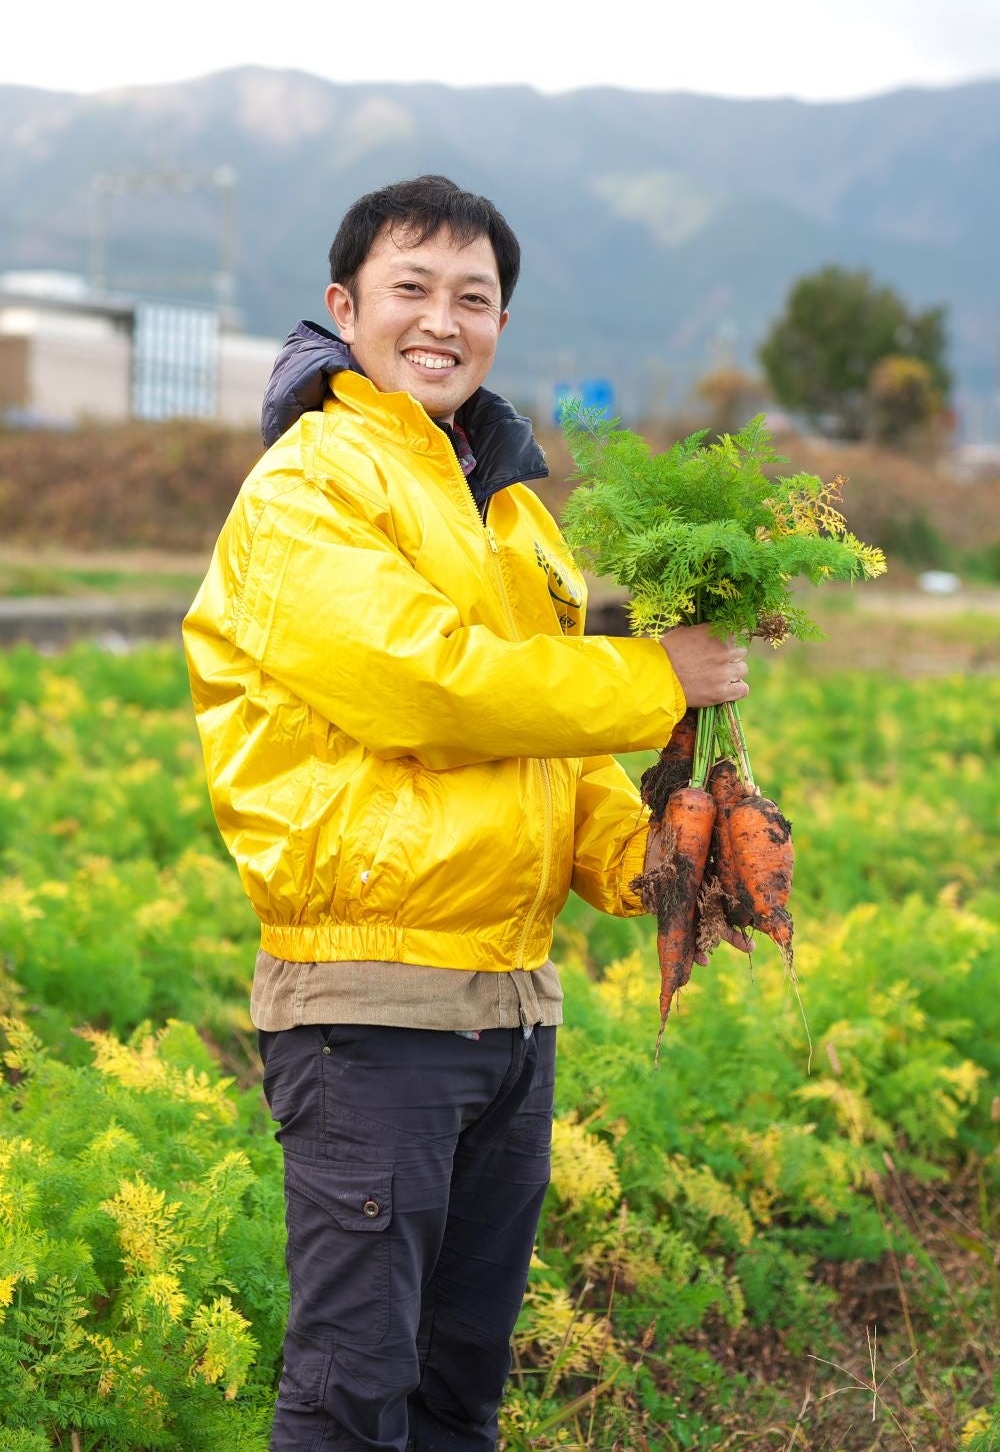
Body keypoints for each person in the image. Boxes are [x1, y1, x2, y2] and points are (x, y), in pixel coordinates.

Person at [182, 175, 749, 1450]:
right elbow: (426, 686)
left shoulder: (509, 513)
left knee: (456, 1385)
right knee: (351, 1386)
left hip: (507, 1007)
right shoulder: (306, 491)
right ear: (345, 308)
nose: (442, 319)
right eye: (411, 289)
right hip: (372, 1004)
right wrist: (656, 674)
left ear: (499, 322)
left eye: (473, 297)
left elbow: (556, 754)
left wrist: (659, 854)